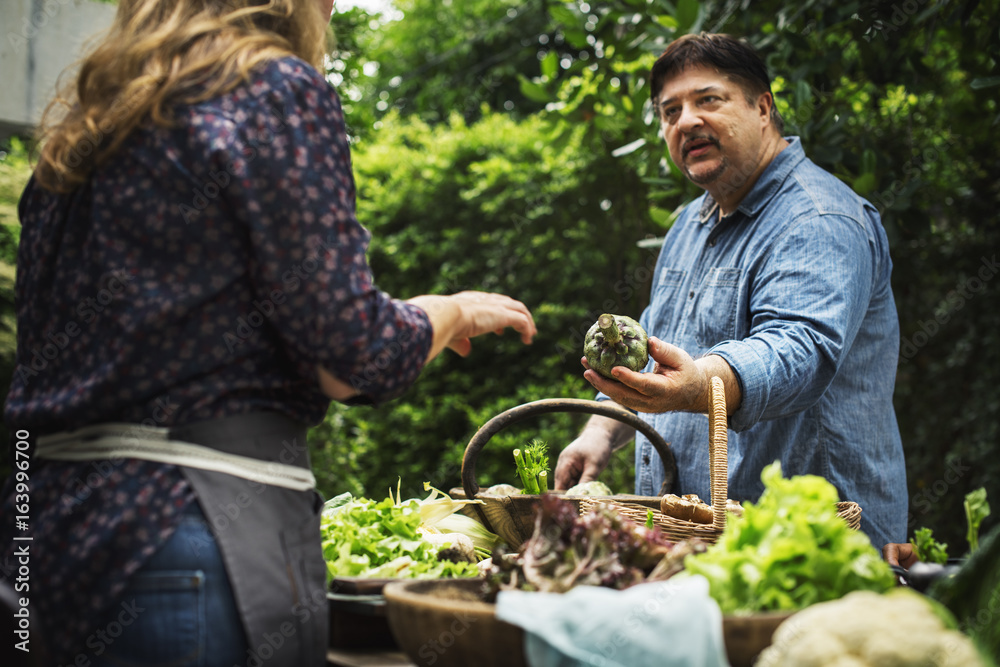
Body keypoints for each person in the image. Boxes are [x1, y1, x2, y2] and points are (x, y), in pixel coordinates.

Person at [0, 0, 536, 665]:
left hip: (42, 531)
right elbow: (352, 355)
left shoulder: (82, 132)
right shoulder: (272, 87)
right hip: (184, 534)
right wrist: (450, 310)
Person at [554, 33, 907, 551]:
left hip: (810, 549)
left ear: (763, 107)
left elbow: (799, 348)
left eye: (708, 99)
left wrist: (703, 386)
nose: (686, 121)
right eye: (670, 111)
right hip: (697, 545)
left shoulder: (818, 218)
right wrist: (600, 433)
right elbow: (653, 351)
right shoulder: (688, 226)